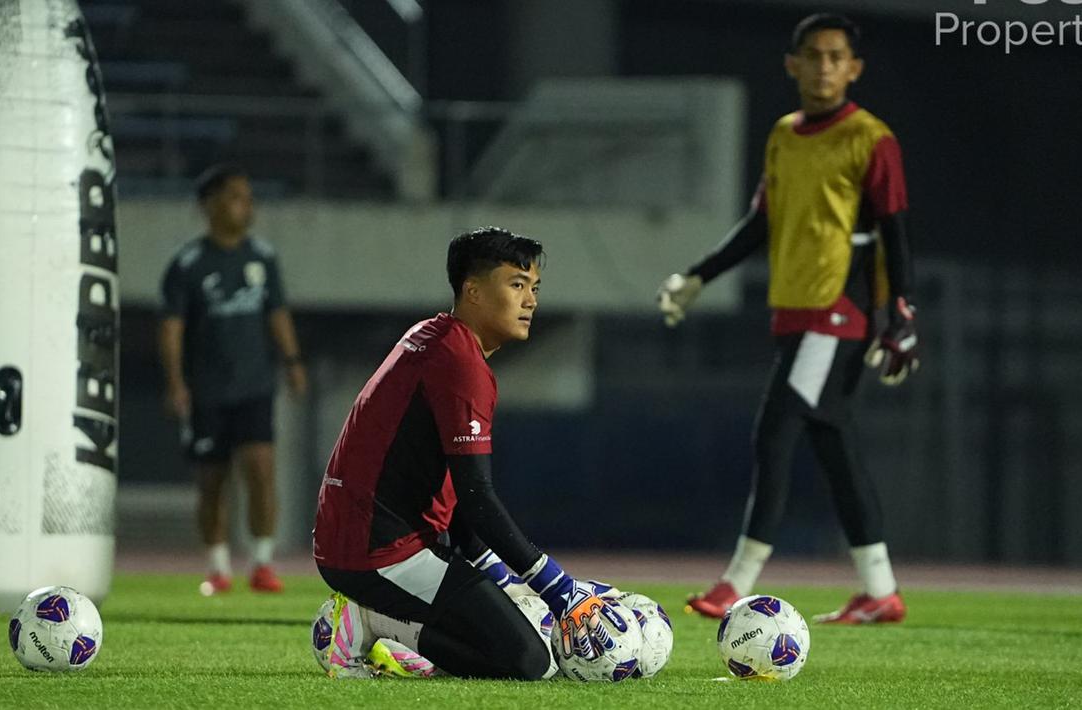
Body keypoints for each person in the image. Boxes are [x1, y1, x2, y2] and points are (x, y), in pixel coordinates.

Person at [658, 14, 919, 624]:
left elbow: (894, 230)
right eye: (814, 55)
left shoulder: (871, 138)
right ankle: (880, 590)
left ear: (854, 69)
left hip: (838, 312)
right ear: (792, 64)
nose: (824, 66)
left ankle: (735, 583)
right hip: (796, 313)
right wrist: (698, 275)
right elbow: (762, 223)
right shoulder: (783, 135)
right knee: (834, 445)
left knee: (774, 431)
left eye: (836, 57)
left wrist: (900, 313)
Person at [312, 227, 632, 680]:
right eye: (517, 284)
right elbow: (477, 495)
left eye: (535, 288)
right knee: (530, 662)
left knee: (509, 639)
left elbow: (454, 491)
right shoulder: (460, 362)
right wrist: (557, 587)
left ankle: (389, 626)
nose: (531, 301)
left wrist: (498, 573)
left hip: (364, 538)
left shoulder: (434, 336)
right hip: (378, 553)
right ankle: (369, 621)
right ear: (473, 291)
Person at [158, 164, 307, 595]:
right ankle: (218, 568)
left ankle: (262, 563)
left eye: (248, 197)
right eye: (236, 197)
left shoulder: (262, 258)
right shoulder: (188, 265)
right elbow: (171, 327)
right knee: (212, 482)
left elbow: (277, 312)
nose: (247, 205)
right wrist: (175, 382)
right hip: (208, 390)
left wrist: (293, 361)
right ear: (211, 205)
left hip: (254, 385)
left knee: (261, 470)